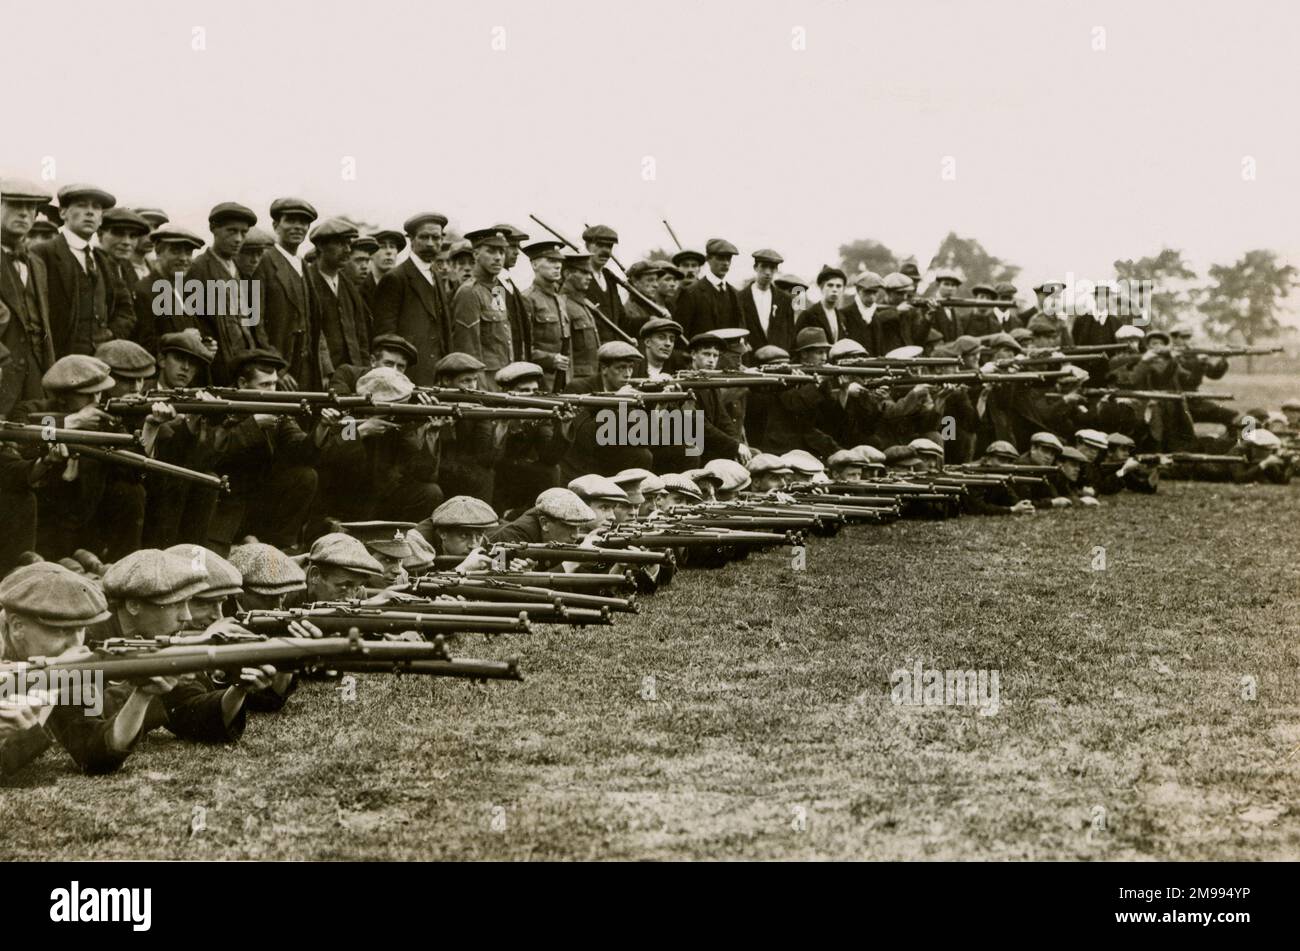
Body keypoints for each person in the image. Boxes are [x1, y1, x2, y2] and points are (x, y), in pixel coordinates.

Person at [0, 562, 163, 778]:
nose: (75, 644)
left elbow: (95, 752)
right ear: (17, 626)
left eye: (81, 629)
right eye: (62, 631)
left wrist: (142, 695)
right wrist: (52, 684)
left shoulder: (65, 665)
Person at [32, 183, 134, 357]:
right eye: (82, 205)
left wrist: (111, 335)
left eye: (96, 207)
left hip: (101, 363)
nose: (90, 212)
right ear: (63, 212)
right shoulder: (42, 254)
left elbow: (126, 310)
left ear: (101, 219)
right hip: (59, 361)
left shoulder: (103, 260)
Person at [187, 201, 268, 384]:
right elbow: (195, 323)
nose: (238, 239)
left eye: (243, 232)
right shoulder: (198, 269)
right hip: (217, 368)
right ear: (214, 229)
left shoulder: (242, 272)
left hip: (245, 366)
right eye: (231, 231)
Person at [371, 212, 450, 387]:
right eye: (424, 237)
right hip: (409, 375)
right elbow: (385, 336)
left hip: (437, 373)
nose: (430, 243)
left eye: (435, 237)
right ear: (411, 240)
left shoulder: (436, 276)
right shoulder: (396, 278)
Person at [0, 177, 57, 415]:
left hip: (36, 375)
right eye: (14, 205)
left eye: (30, 207)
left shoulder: (37, 263)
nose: (24, 213)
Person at [491, 361, 564, 514]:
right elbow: (492, 458)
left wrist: (564, 425)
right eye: (524, 390)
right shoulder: (491, 411)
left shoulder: (538, 413)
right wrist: (503, 423)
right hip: (496, 476)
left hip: (521, 478)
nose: (531, 395)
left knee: (551, 471)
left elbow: (549, 456)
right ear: (507, 391)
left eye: (534, 390)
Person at [450, 228, 514, 387]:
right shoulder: (469, 292)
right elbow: (468, 349)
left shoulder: (497, 288)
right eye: (491, 252)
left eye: (501, 251)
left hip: (505, 377)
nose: (498, 258)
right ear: (476, 254)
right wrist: (480, 388)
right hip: (486, 381)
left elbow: (501, 333)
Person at [307, 218, 370, 373]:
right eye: (341, 244)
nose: (348, 250)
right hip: (320, 374)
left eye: (349, 244)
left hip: (352, 373)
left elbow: (361, 336)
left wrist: (364, 371)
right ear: (321, 246)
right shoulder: (307, 282)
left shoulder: (349, 286)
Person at [522, 239, 572, 392]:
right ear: (534, 265)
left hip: (564, 380)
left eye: (559, 261)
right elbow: (523, 348)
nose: (558, 265)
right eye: (551, 261)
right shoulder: (527, 299)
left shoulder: (559, 299)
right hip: (540, 381)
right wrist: (550, 360)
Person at [672, 238, 743, 339]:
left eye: (728, 259)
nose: (726, 263)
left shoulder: (734, 293)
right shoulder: (691, 293)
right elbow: (681, 335)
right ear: (708, 259)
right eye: (720, 258)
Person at [739, 248, 796, 355]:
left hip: (777, 360)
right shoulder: (740, 298)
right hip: (750, 359)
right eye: (764, 266)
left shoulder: (785, 300)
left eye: (772, 268)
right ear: (755, 267)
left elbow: (790, 333)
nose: (768, 272)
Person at [581, 224, 625, 340]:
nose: (605, 251)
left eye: (609, 246)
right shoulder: (576, 277)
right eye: (600, 245)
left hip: (613, 351)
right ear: (587, 246)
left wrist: (651, 319)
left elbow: (623, 320)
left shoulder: (610, 279)